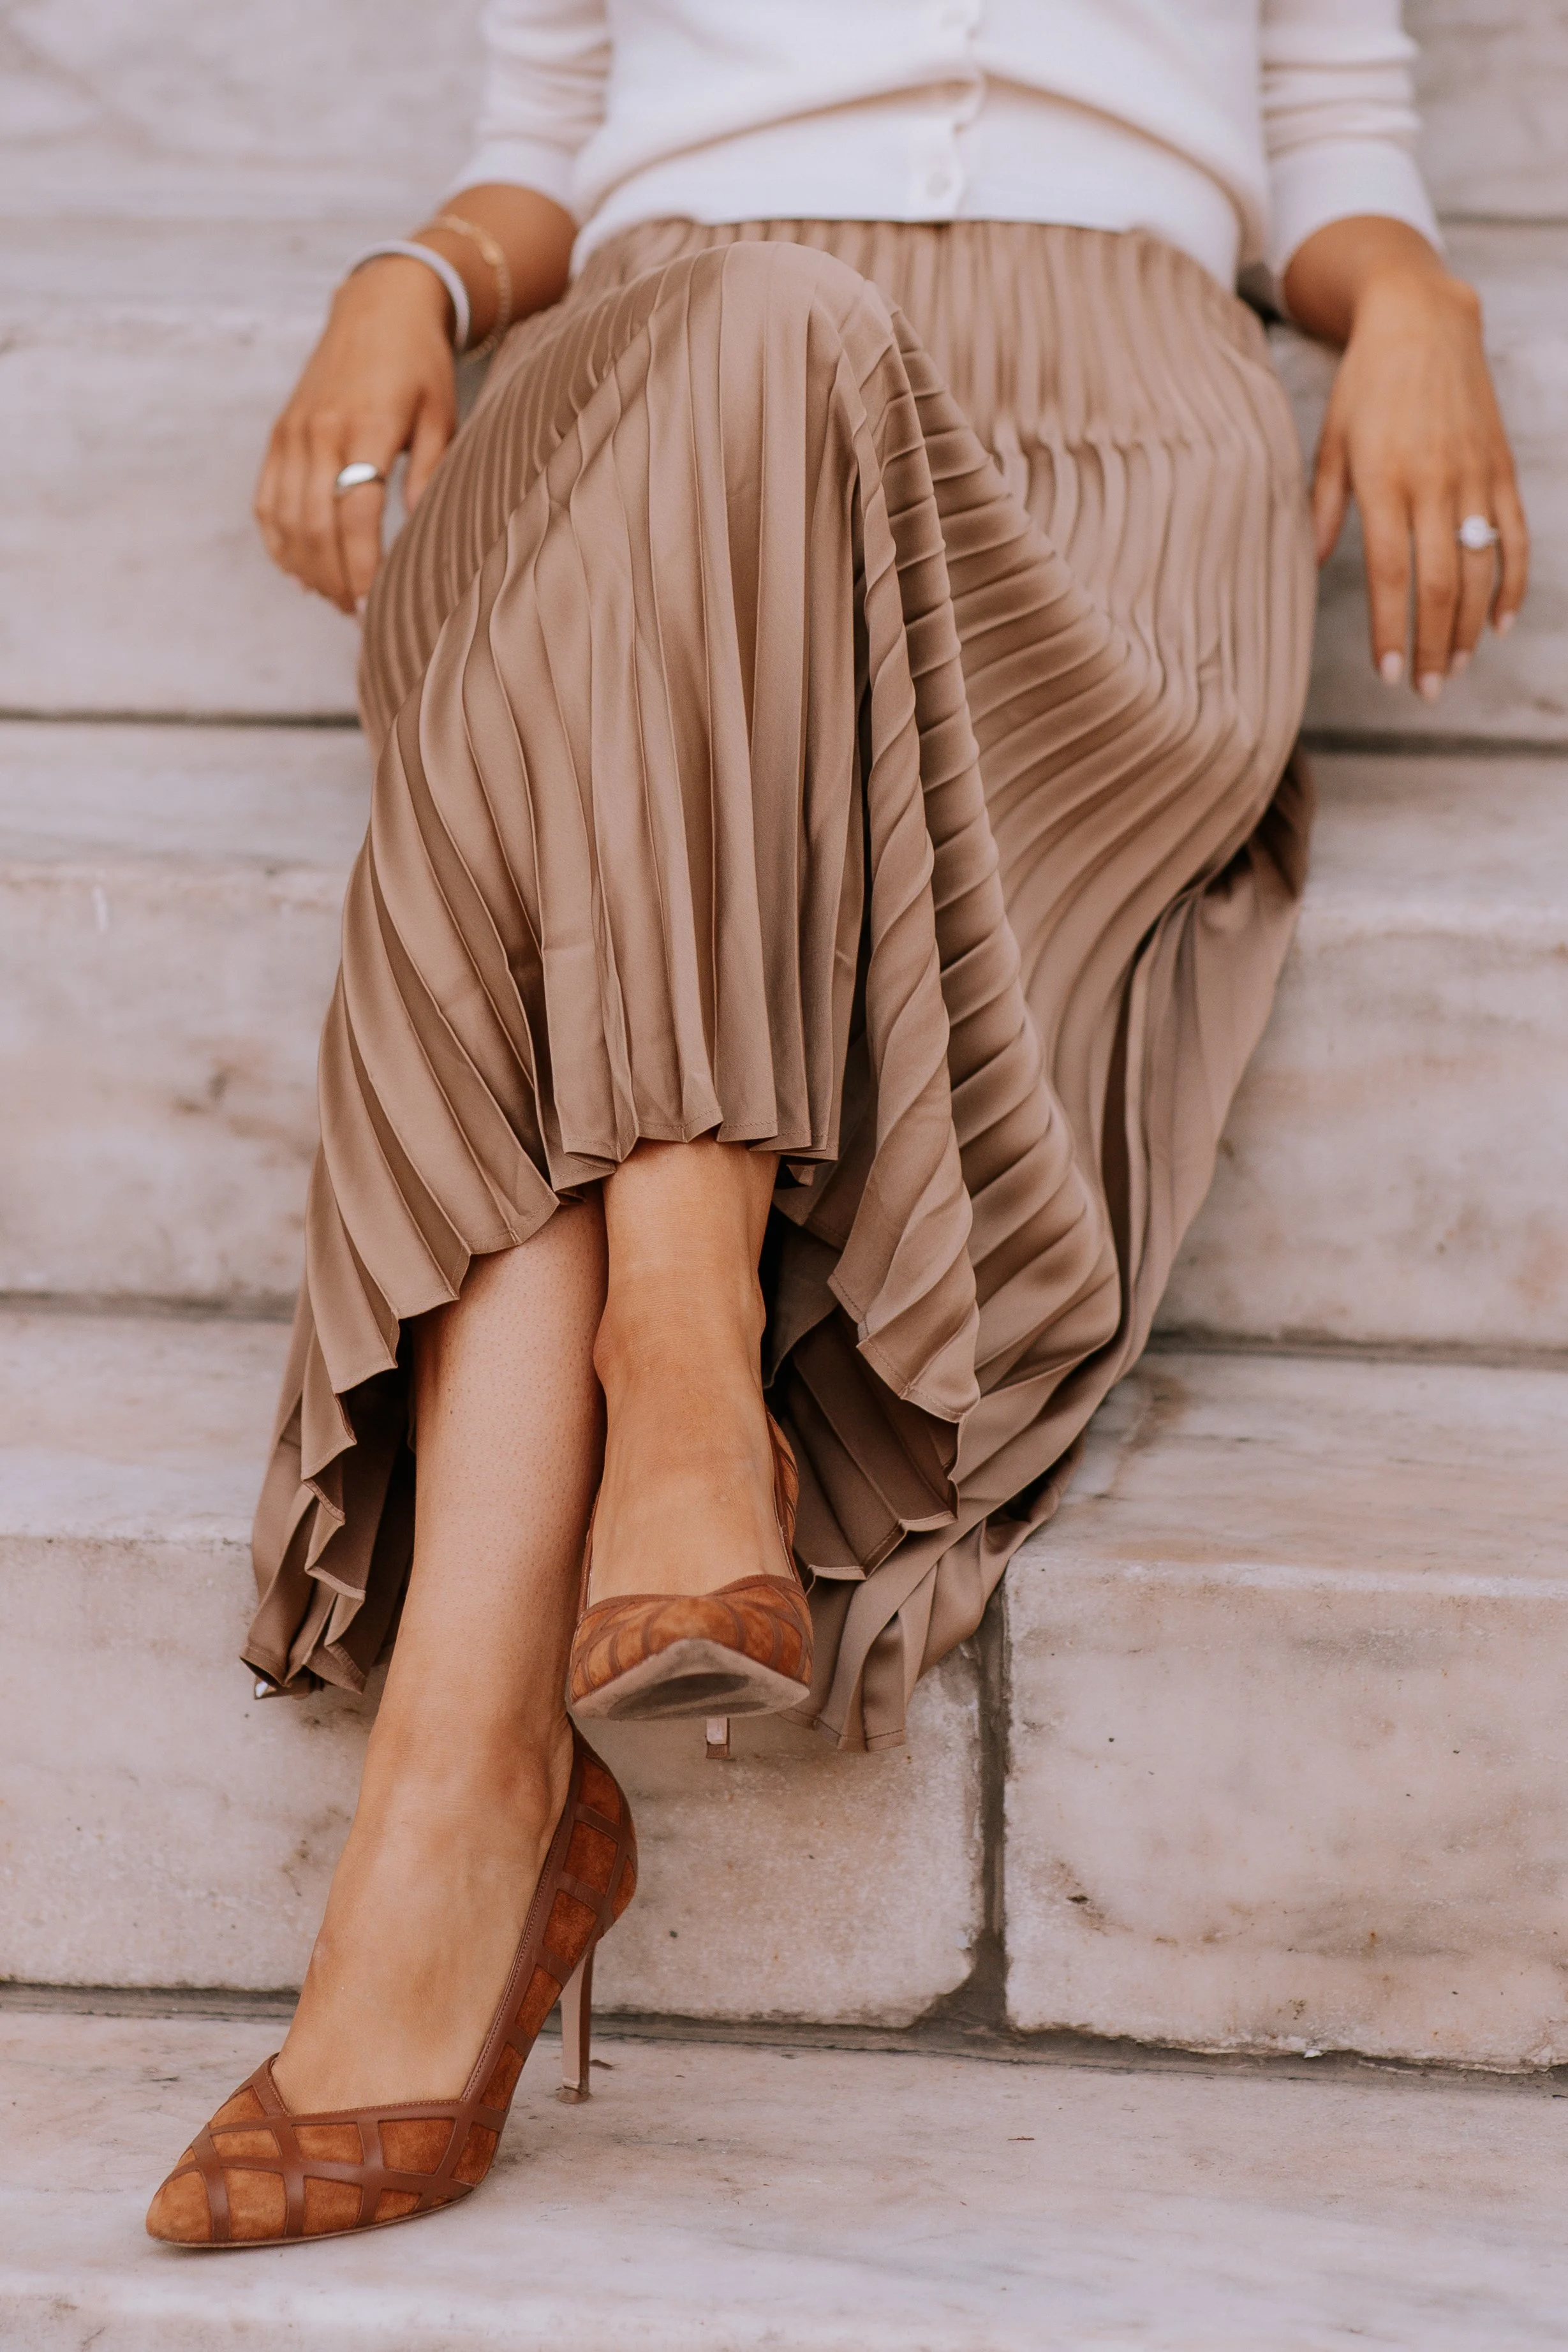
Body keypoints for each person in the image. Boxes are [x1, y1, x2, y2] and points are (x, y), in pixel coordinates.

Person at [147, 0, 1526, 2247]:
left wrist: (1417, 305)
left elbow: (1328, 131)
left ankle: (480, 1778)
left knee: (571, 747)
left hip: (1096, 454)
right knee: (742, 335)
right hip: (666, 387)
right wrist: (412, 277)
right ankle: (633, 1461)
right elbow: (549, 135)